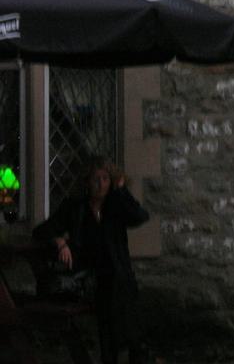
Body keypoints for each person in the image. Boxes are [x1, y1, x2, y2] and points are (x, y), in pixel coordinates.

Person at [33, 156, 150, 364]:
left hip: (116, 276)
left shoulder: (115, 204)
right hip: (88, 275)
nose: (100, 184)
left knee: (117, 287)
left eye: (105, 179)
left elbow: (139, 216)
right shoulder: (75, 207)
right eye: (96, 179)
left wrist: (121, 190)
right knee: (116, 290)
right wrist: (60, 242)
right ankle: (134, 347)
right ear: (87, 181)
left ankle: (123, 351)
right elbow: (42, 231)